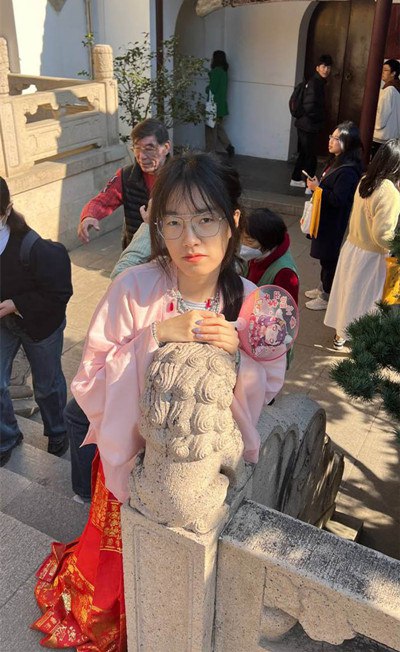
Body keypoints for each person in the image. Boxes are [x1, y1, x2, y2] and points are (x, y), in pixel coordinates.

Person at [32, 153, 286, 650]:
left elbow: (270, 385)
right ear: (157, 226)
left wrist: (240, 360)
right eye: (173, 222)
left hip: (202, 471)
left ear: (233, 222)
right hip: (132, 460)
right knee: (116, 562)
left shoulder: (251, 302)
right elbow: (89, 380)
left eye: (205, 219)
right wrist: (154, 337)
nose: (190, 239)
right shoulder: (134, 288)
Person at [0, 177, 72, 466]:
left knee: (46, 385)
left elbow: (60, 293)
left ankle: (58, 430)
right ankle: (7, 436)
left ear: (6, 211)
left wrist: (16, 304)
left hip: (41, 324)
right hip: (4, 324)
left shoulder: (35, 247)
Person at [325, 138, 400, 349]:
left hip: (353, 247)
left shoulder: (366, 180)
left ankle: (340, 334)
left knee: (348, 294)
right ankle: (365, 341)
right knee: (369, 300)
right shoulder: (390, 192)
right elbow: (382, 234)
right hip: (374, 255)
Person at [78, 118, 170, 249]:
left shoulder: (180, 177)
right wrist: (89, 216)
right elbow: (102, 201)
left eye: (149, 149)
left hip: (171, 251)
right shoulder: (126, 176)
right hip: (136, 250)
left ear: (165, 148)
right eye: (137, 148)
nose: (142, 156)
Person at [304, 121, 363, 311]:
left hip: (333, 221)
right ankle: (323, 287)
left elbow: (338, 199)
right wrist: (318, 185)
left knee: (328, 258)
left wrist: (317, 188)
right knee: (325, 257)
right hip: (325, 218)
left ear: (347, 143)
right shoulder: (337, 161)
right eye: (331, 136)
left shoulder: (348, 170)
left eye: (336, 138)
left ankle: (327, 295)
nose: (331, 141)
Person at [290, 54, 333, 193]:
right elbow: (310, 106)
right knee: (311, 156)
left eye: (328, 67)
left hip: (305, 124)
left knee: (305, 153)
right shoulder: (316, 83)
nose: (326, 70)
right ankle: (310, 186)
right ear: (317, 68)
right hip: (308, 125)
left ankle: (296, 178)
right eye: (323, 66)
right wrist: (320, 118)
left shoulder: (316, 82)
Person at [242, 208, 299, 305]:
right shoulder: (260, 255)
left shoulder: (285, 273)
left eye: (249, 241)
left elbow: (286, 309)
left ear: (267, 242)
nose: (243, 244)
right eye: (242, 238)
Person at [205, 50, 235, 158]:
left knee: (210, 131)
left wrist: (207, 88)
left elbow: (211, 89)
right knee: (218, 128)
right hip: (221, 106)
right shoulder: (224, 72)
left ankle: (209, 154)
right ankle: (228, 147)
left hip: (213, 106)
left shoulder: (216, 72)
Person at [371, 59, 400, 159]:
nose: (382, 72)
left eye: (386, 70)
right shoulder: (397, 88)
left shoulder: (389, 90)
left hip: (382, 136)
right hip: (393, 136)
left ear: (393, 73)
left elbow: (382, 115)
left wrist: (375, 126)